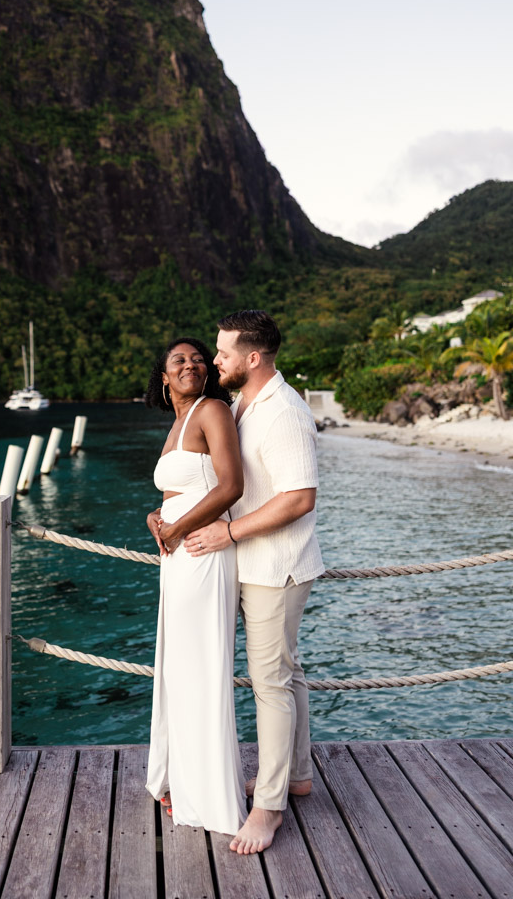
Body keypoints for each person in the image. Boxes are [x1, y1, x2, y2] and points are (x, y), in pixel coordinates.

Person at [184, 310, 324, 855]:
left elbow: (299, 497)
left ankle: (268, 807)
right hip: (255, 563)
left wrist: (228, 533)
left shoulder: (285, 412)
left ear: (253, 357)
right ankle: (297, 775)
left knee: (269, 684)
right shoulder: (243, 404)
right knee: (288, 673)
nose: (213, 360)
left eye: (221, 353)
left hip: (276, 567)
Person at [144, 336, 247, 835]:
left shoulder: (212, 411)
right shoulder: (177, 423)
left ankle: (208, 794)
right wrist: (157, 515)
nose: (191, 364)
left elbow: (231, 486)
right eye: (178, 361)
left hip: (203, 553)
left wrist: (180, 528)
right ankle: (182, 779)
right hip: (178, 557)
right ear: (164, 378)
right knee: (180, 669)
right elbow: (180, 489)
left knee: (201, 670)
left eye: (198, 358)